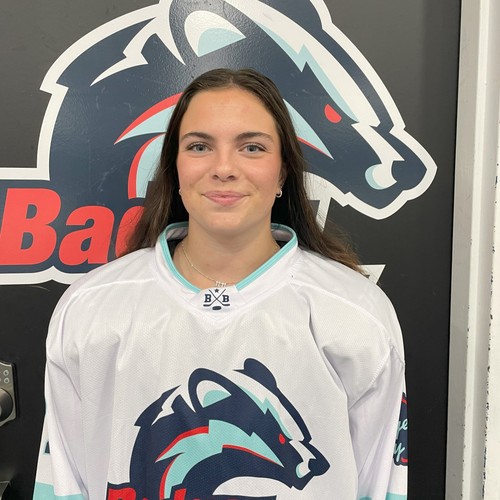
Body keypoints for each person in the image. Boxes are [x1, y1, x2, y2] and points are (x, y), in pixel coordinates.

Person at [33, 68, 407, 500]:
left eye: (252, 147)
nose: (224, 168)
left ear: (282, 171)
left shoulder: (354, 313)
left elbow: (382, 483)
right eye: (199, 146)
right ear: (175, 166)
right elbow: (63, 480)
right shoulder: (91, 308)